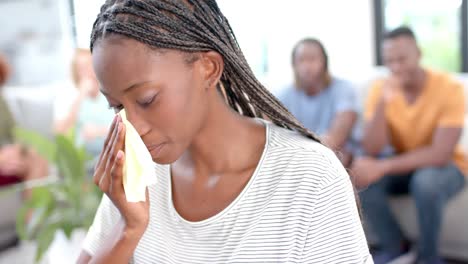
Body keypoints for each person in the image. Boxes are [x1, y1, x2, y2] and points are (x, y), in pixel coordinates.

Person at [77, 1, 371, 263]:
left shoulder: (310, 177)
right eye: (117, 107)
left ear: (208, 67)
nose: (134, 128)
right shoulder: (138, 175)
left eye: (146, 100)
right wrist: (126, 231)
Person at [352, 26, 466, 264]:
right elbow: (372, 148)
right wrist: (383, 103)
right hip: (404, 163)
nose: (396, 67)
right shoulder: (380, 89)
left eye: (402, 59)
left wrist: (383, 167)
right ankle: (396, 247)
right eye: (390, 61)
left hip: (448, 167)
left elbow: (440, 154)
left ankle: (428, 257)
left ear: (419, 54)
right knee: (362, 177)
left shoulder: (450, 89)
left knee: (426, 181)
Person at [277, 38, 358, 165]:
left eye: (312, 59)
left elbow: (337, 137)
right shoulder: (283, 94)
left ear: (324, 63)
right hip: (300, 161)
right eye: (301, 60)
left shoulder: (343, 88)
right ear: (294, 65)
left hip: (335, 160)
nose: (307, 66)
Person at [0, 53, 48, 195]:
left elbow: (17, 133)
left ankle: (34, 217)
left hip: (7, 161)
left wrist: (16, 151)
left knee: (38, 157)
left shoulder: (1, 101)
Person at [53, 49, 115, 158]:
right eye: (81, 69)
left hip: (112, 151)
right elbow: (59, 133)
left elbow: (126, 125)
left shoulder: (110, 90)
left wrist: (98, 131)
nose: (87, 72)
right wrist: (81, 95)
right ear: (76, 73)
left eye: (89, 66)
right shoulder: (70, 95)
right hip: (84, 158)